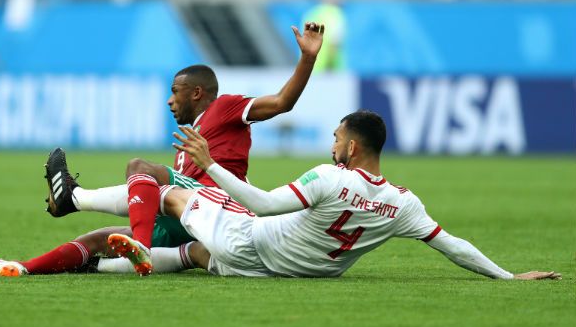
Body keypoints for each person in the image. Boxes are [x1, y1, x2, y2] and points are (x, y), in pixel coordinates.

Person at [0, 21, 326, 277]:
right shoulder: (189, 138)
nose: (169, 101)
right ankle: (21, 268)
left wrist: (307, 58)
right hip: (186, 216)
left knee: (141, 167)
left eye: (175, 92)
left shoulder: (226, 106)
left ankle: (90, 209)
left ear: (197, 93)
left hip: (218, 208)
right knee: (101, 240)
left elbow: (281, 102)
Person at [108, 110, 561, 281]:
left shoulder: (329, 175)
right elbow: (452, 246)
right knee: (198, 255)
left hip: (252, 244)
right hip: (288, 274)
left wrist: (208, 165)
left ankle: (108, 222)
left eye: (336, 137)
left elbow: (264, 204)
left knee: (171, 194)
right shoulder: (403, 203)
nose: (332, 144)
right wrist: (507, 277)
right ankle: (102, 263)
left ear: (353, 146)